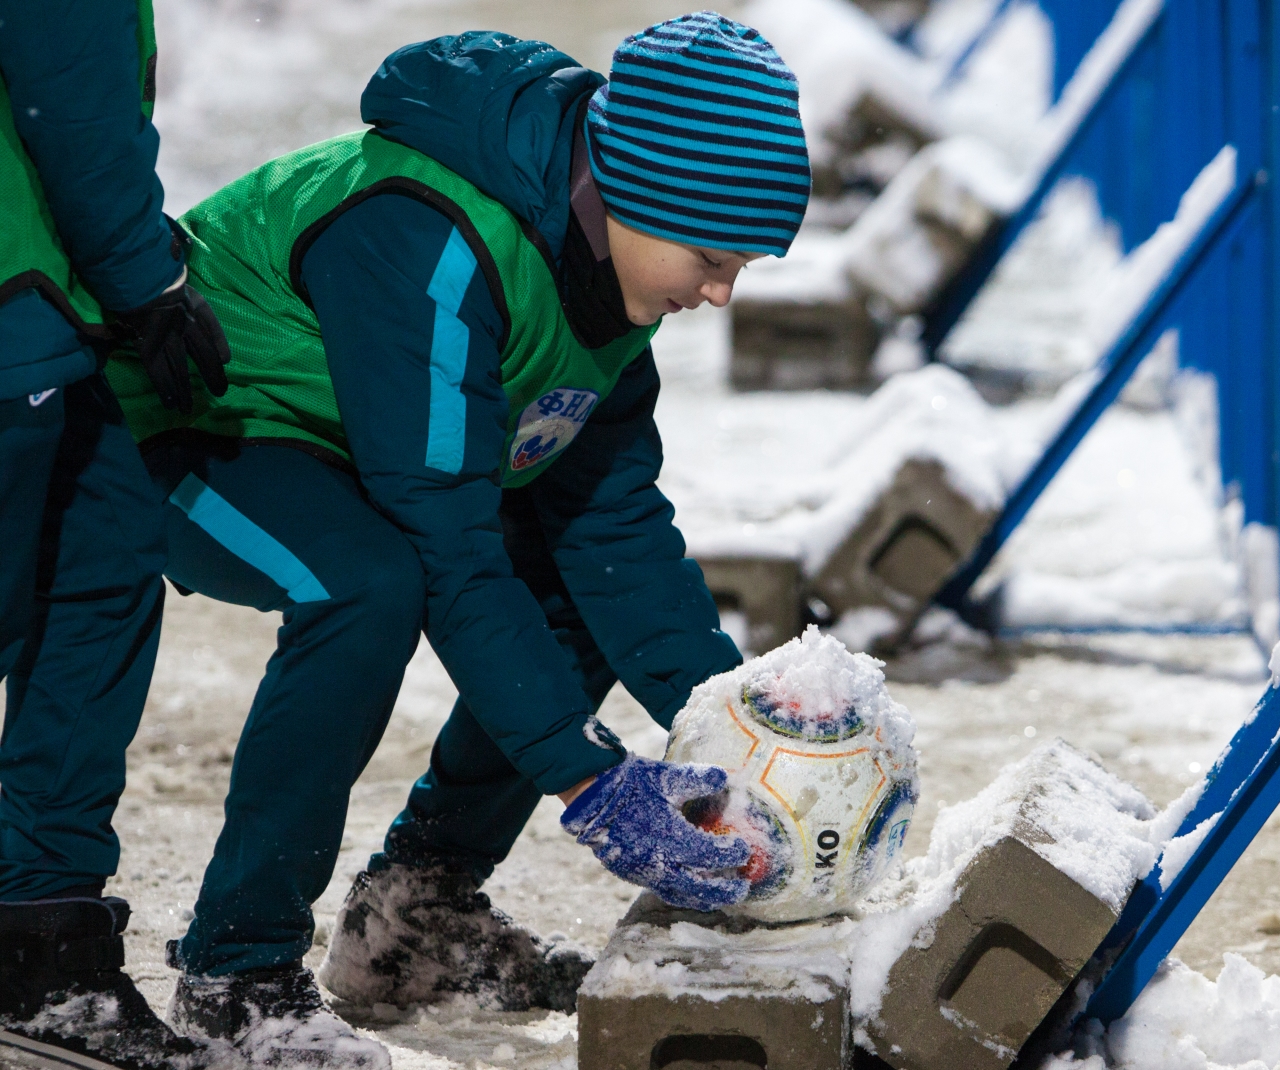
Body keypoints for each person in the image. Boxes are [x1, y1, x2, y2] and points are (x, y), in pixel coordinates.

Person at [104, 13, 809, 1067]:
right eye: (712, 255)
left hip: (358, 457)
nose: (719, 292)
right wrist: (588, 778)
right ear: (636, 194)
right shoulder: (430, 238)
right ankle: (236, 970)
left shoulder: (608, 274)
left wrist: (738, 737)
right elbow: (448, 542)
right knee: (367, 583)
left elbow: (612, 527)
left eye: (739, 265)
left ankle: (416, 917)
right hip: (187, 427)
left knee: (571, 585)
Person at [0, 3, 235, 1068]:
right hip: (14, 308)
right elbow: (74, 100)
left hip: (36, 314)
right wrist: (149, 282)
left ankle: (39, 934)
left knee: (98, 561)